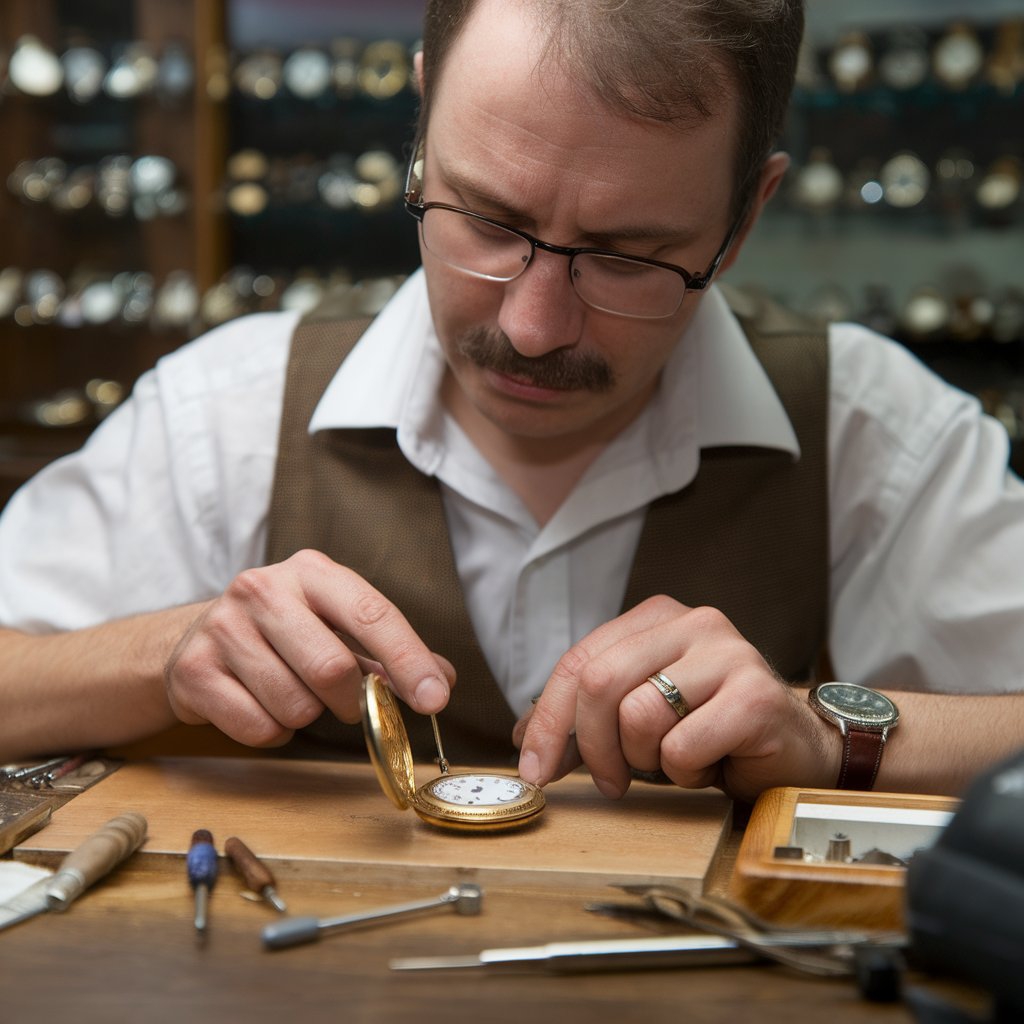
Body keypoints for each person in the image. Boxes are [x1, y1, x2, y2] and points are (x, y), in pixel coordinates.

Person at [1, 0, 1023, 803]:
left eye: (628, 257)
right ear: (420, 121)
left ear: (743, 216)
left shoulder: (868, 427)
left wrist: (822, 730)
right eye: (485, 219)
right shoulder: (222, 412)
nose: (532, 327)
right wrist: (159, 656)